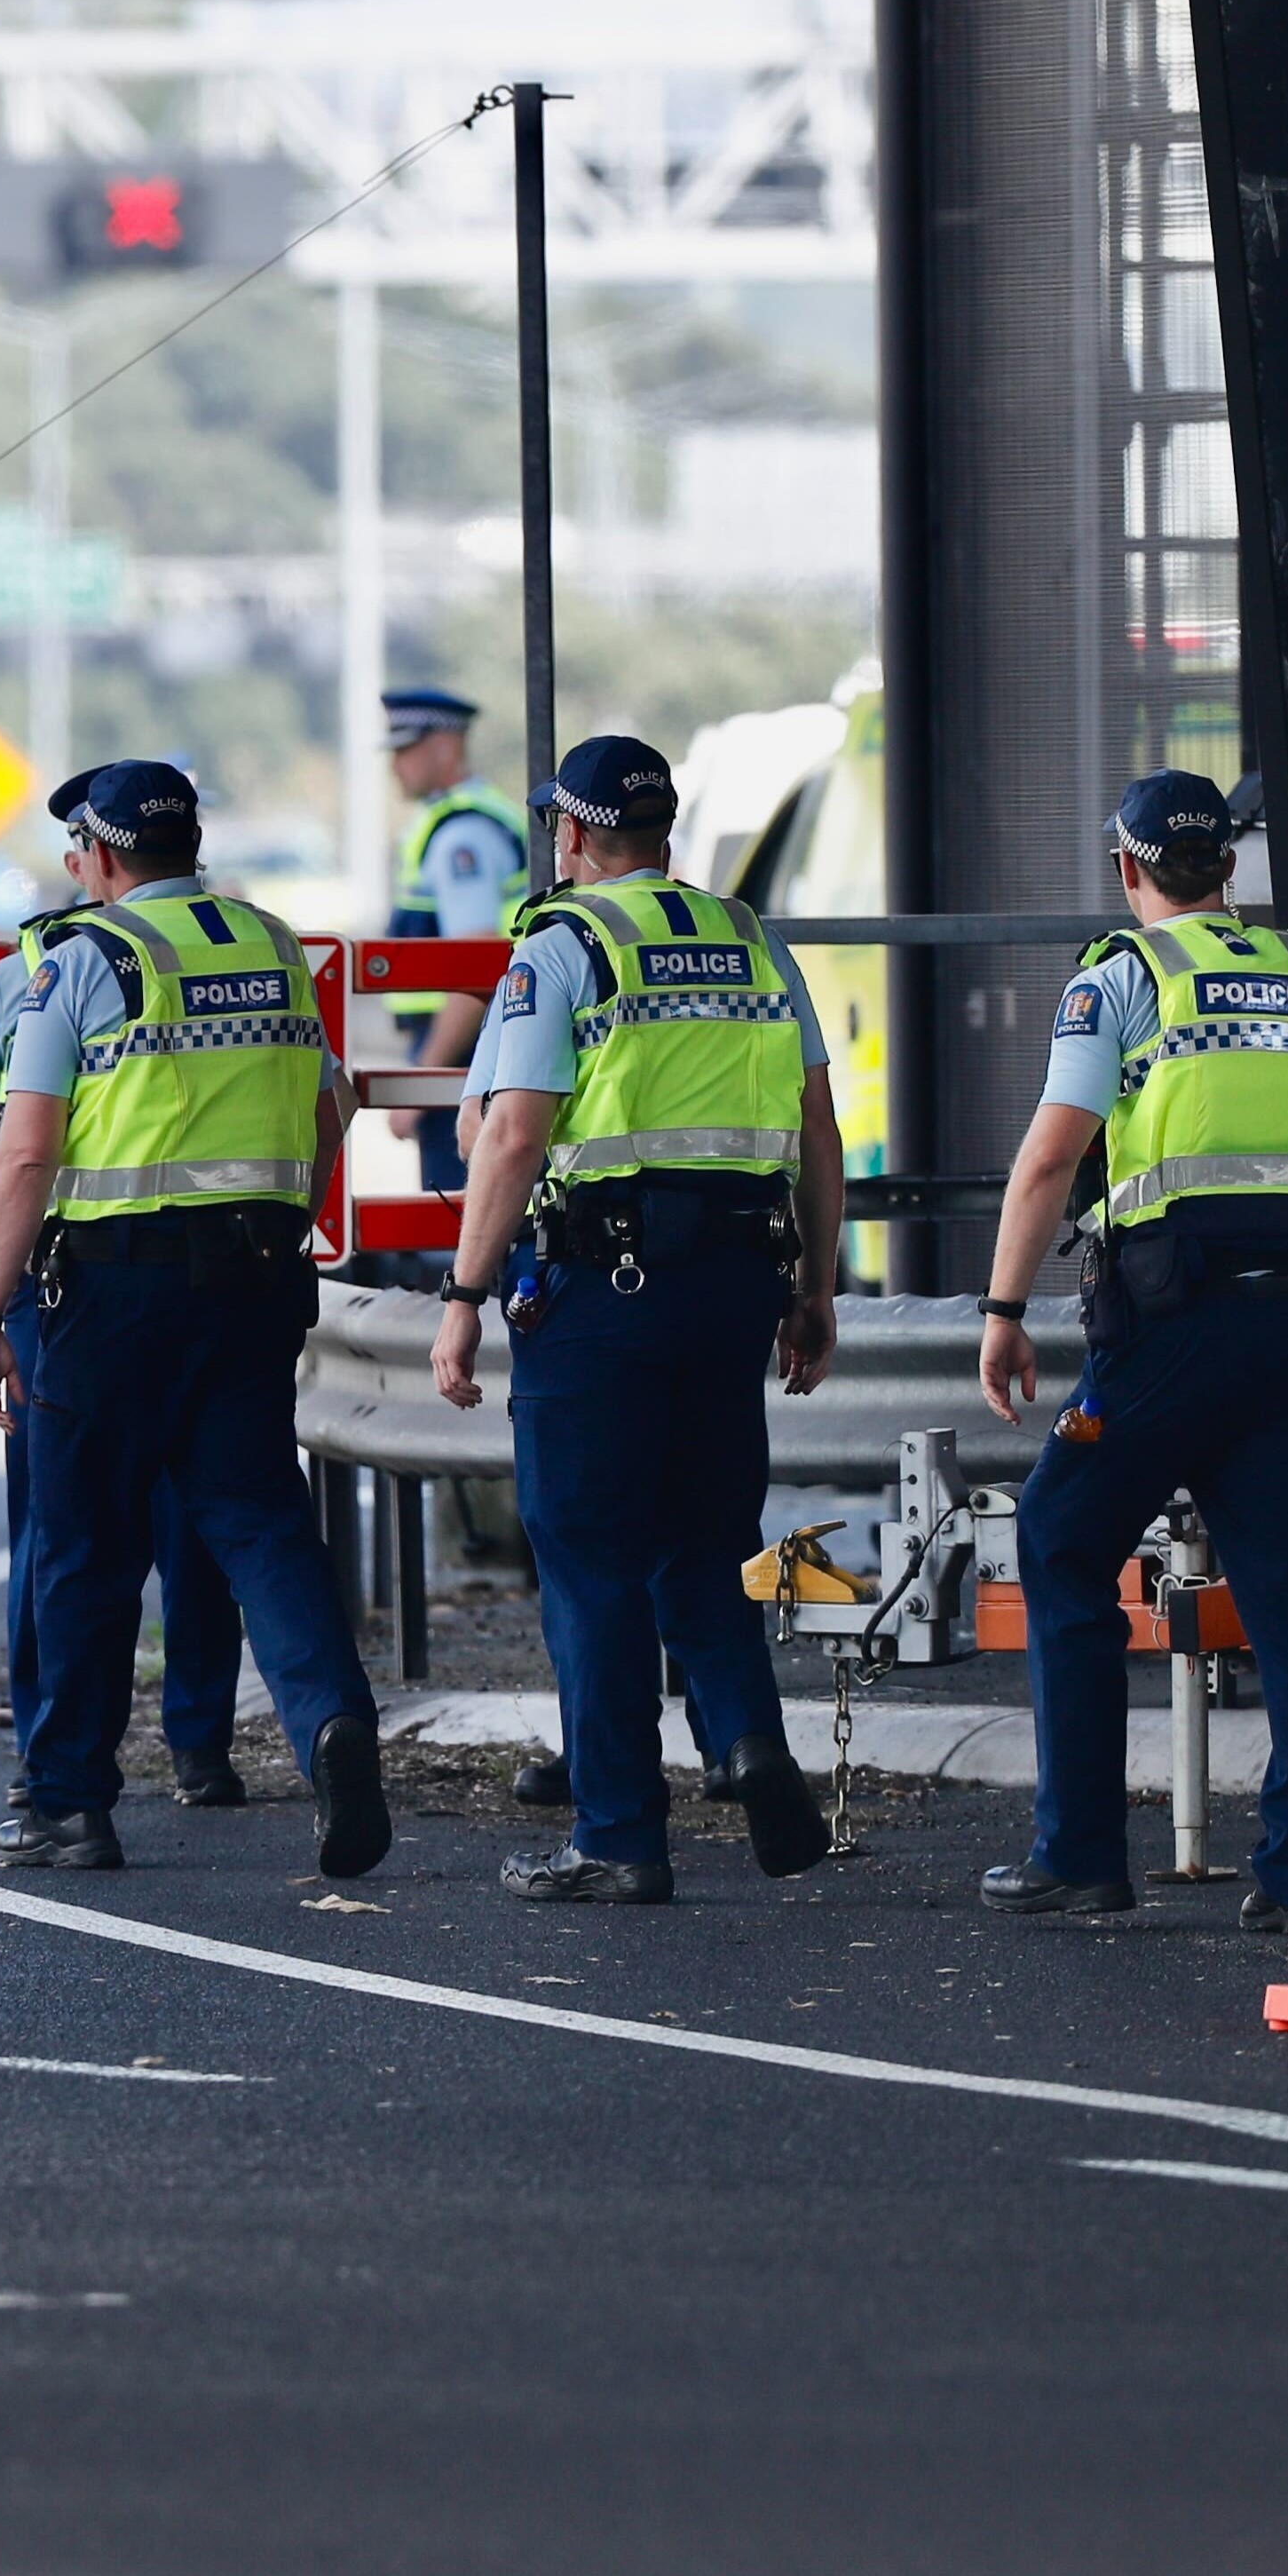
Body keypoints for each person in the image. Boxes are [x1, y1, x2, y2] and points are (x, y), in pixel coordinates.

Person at [968, 772, 1288, 1928]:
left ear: (1128, 869)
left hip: (1167, 1335)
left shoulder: (1122, 980)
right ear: (1227, 867)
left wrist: (1003, 1307)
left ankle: (1080, 1850)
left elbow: (1055, 1154)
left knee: (1061, 1536)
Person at [428, 734, 844, 1905]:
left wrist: (462, 1297)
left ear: (570, 833)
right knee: (702, 1539)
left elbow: (508, 1134)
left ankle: (617, 1833)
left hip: (602, 1293)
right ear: (661, 830)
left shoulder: (562, 945)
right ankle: (748, 1739)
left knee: (592, 1560)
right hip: (737, 1286)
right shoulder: (749, 938)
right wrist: (812, 1289)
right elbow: (820, 1129)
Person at [0, 759, 384, 1876]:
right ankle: (336, 1722)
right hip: (252, 1283)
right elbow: (332, 1105)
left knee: (86, 1546)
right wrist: (289, 1211)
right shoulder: (270, 944)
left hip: (114, 1295)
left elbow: (27, 1150)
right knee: (261, 1522)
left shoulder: (85, 961)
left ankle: (67, 1804)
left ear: (99, 857)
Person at [0, 923, 249, 1809]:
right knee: (78, 1525)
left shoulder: (204, 952)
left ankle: (184, 1744)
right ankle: (64, 1735)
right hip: (57, 1275)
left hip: (131, 1276)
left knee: (151, 1523)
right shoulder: (33, 968)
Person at [375, 686, 529, 1194]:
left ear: (445, 746)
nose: (394, 763)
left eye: (405, 748)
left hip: (465, 1048)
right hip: (473, 1044)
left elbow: (476, 964)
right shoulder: (465, 818)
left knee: (459, 1230)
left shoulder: (462, 833)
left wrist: (422, 1081)